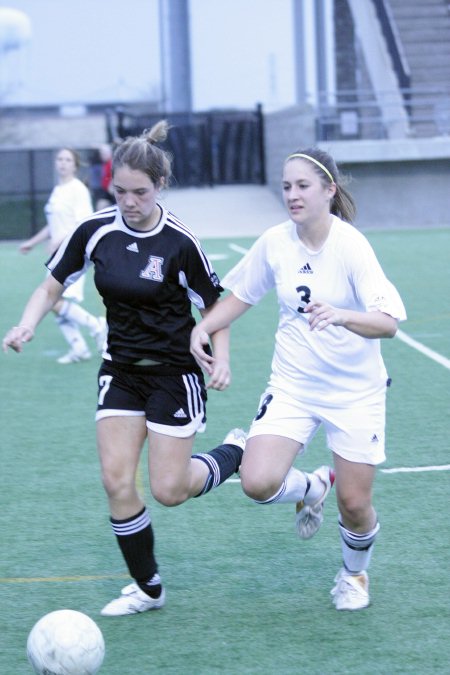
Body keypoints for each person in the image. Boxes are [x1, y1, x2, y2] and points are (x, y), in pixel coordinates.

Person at [2, 120, 245, 617]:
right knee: (116, 481)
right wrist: (26, 324)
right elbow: (50, 286)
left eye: (140, 192)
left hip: (175, 374)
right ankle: (148, 588)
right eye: (120, 191)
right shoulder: (95, 232)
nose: (129, 202)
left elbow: (214, 307)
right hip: (120, 371)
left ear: (160, 187)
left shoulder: (181, 243)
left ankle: (236, 451)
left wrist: (221, 357)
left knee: (169, 490)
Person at [191, 147, 407, 611]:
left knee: (354, 504)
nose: (292, 194)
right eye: (286, 186)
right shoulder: (275, 241)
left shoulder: (351, 245)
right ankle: (312, 487)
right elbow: (240, 297)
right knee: (257, 482)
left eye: (303, 186)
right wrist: (202, 327)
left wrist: (343, 315)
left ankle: (354, 575)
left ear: (329, 190)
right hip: (293, 384)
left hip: (354, 391)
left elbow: (388, 323)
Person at [19, 147, 106, 364]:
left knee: (54, 301)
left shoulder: (77, 189)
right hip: (56, 255)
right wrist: (32, 242)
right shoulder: (58, 189)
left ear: (75, 165)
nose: (63, 163)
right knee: (52, 302)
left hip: (73, 253)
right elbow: (52, 226)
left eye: (68, 159)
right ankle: (79, 348)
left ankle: (96, 324)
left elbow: (83, 222)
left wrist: (59, 241)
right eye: (60, 159)